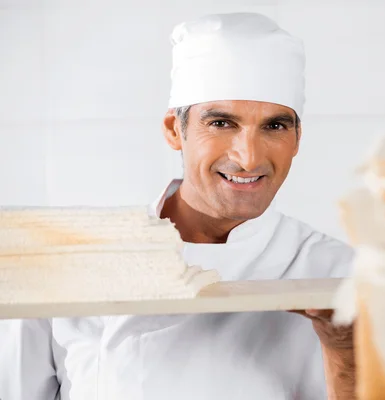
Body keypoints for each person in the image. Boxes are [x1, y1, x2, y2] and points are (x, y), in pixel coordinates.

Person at [0, 12, 356, 400]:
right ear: (175, 130)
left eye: (274, 126)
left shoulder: (341, 274)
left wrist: (346, 352)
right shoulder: (66, 260)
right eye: (222, 123)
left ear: (297, 138)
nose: (249, 158)